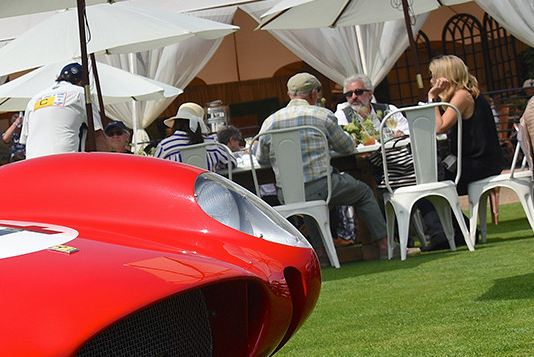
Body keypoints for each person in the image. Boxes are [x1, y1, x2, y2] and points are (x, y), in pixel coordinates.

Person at [257, 72, 389, 257]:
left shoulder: (270, 121)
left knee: (307, 202)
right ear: (313, 93)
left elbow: (261, 158)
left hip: (286, 193)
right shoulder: (322, 115)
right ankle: (384, 245)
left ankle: (321, 254)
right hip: (322, 186)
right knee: (364, 192)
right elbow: (345, 147)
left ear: (289, 94)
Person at [425, 54, 504, 194]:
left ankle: (455, 217)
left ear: (445, 78)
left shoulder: (462, 96)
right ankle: (455, 216)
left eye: (434, 76)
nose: (431, 81)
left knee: (428, 184)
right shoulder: (468, 93)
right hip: (478, 162)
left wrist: (432, 98)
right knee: (430, 181)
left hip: (479, 164)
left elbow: (439, 127)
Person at [21, 63, 90, 158]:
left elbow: (24, 139)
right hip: (65, 162)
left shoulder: (34, 99)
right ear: (80, 83)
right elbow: (98, 134)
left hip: (33, 163)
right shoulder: (80, 93)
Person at [155, 102, 234, 172]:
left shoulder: (165, 146)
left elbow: (155, 171)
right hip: (207, 187)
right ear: (200, 125)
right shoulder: (212, 144)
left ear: (176, 123)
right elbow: (232, 163)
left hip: (178, 188)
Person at [333, 76, 405, 142]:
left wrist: (401, 135)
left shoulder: (389, 110)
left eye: (358, 92)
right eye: (349, 94)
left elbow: (407, 132)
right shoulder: (341, 116)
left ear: (370, 94)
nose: (354, 96)